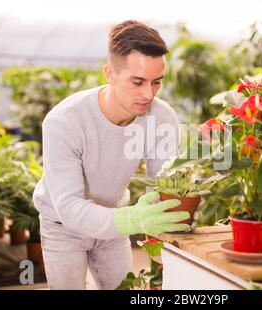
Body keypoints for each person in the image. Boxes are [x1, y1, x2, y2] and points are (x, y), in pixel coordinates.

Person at [32, 20, 190, 290]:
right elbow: (69, 207)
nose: (148, 94)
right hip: (63, 226)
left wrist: (162, 268)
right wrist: (132, 219)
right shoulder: (64, 121)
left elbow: (165, 187)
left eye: (156, 82)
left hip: (116, 221)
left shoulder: (162, 118)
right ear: (110, 74)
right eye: (138, 81)